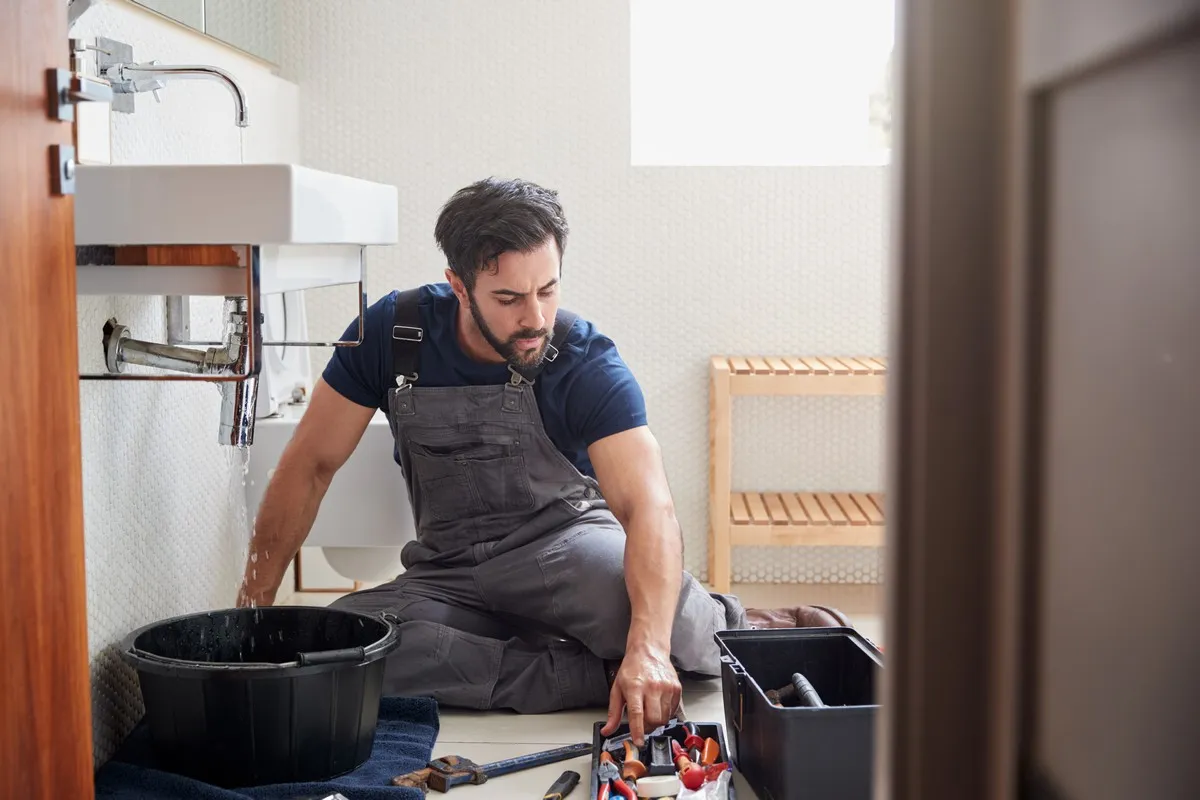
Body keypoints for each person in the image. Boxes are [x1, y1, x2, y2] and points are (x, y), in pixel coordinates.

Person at [236, 177, 852, 744]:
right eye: (508, 297)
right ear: (457, 284)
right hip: (448, 570)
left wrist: (651, 646)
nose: (535, 318)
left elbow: (649, 507)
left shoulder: (584, 358)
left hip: (564, 549)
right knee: (348, 655)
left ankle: (737, 625)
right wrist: (251, 612)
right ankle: (590, 671)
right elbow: (308, 465)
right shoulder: (389, 336)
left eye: (548, 289)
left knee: (671, 631)